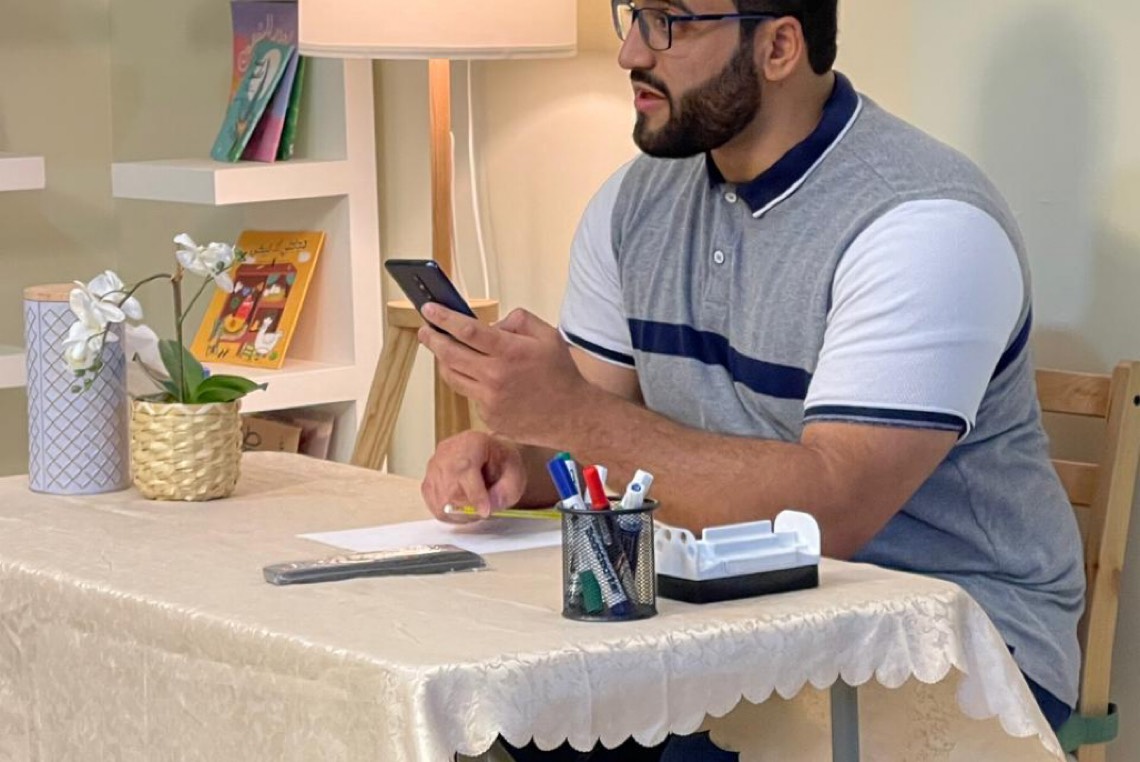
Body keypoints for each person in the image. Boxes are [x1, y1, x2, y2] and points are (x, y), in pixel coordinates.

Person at [416, 0, 1085, 758]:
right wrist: (522, 462)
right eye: (633, 15)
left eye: (671, 21)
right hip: (722, 616)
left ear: (778, 47)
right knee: (509, 721)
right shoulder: (634, 203)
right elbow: (602, 450)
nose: (632, 54)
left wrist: (569, 415)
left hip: (948, 642)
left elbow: (830, 514)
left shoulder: (925, 224)